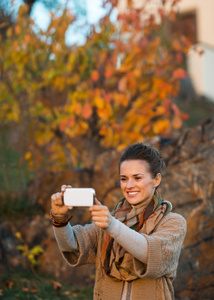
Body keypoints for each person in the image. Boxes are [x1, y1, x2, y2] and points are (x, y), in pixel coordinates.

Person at [50, 143, 186, 300]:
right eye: (124, 178)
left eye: (137, 178)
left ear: (156, 180)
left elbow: (152, 254)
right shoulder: (111, 221)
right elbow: (72, 246)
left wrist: (112, 225)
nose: (129, 185)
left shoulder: (173, 222)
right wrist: (59, 219)